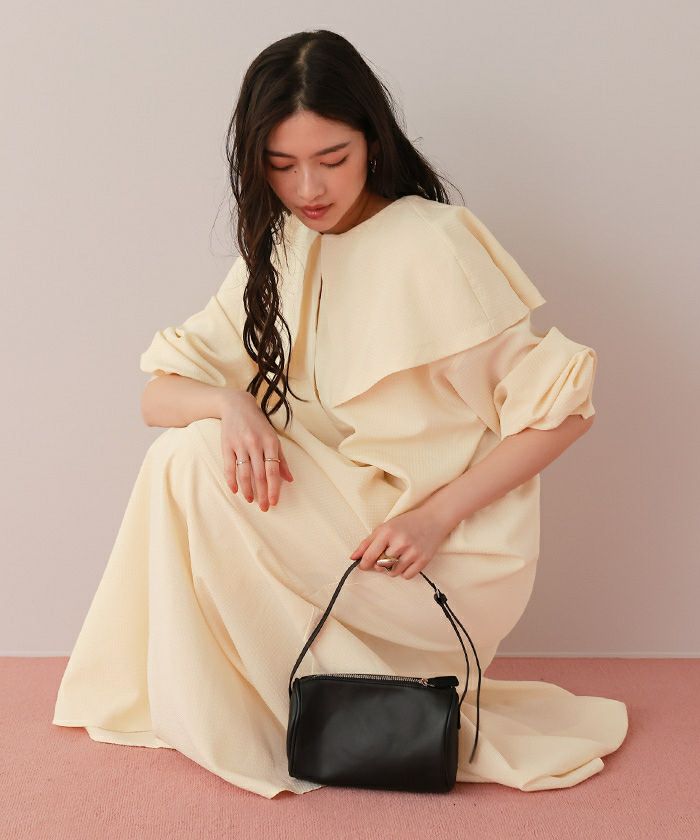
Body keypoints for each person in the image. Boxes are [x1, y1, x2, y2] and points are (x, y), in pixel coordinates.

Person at [52, 29, 628, 798]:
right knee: (187, 451)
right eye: (282, 164)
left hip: (435, 551)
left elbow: (566, 412)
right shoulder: (283, 245)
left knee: (190, 460)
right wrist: (229, 402)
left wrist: (433, 517)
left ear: (373, 142)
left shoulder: (434, 243)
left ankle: (255, 710)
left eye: (332, 158)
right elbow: (158, 395)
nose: (309, 188)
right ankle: (239, 703)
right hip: (346, 523)